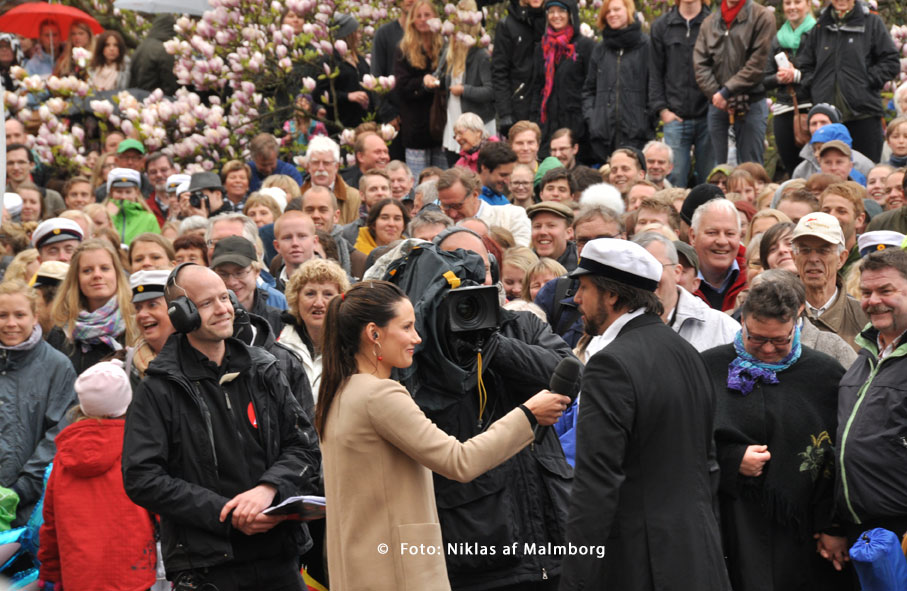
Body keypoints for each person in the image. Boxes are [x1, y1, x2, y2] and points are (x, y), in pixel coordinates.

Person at [317, 279, 568, 589]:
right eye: (407, 327)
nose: (418, 338)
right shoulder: (379, 396)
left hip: (367, 568)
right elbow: (459, 461)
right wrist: (528, 415)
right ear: (374, 334)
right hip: (395, 573)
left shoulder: (341, 391)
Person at [122, 263, 320, 590]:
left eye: (224, 298)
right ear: (183, 314)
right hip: (207, 569)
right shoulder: (158, 389)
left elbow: (304, 447)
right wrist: (227, 514)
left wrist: (267, 490)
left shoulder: (265, 370)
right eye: (206, 303)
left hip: (279, 559)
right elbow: (142, 478)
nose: (223, 309)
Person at [560, 238, 730, 590]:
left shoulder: (610, 364)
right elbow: (708, 467)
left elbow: (596, 484)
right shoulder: (685, 352)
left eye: (585, 287)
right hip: (698, 557)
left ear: (612, 296)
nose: (576, 298)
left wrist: (576, 579)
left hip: (641, 565)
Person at [701, 279, 849, 590]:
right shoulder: (706, 367)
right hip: (729, 522)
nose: (768, 349)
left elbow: (843, 457)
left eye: (780, 341)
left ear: (797, 321)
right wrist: (730, 459)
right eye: (756, 339)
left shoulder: (825, 375)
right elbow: (680, 441)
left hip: (803, 529)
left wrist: (834, 525)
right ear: (742, 319)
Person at [37, 360, 157, 591]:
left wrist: (51, 571)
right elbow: (160, 505)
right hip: (132, 573)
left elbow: (50, 523)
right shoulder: (137, 450)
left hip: (80, 577)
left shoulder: (63, 459)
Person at [836, 248, 907, 547]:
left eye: (885, 290)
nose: (873, 301)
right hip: (862, 530)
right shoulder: (864, 356)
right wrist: (836, 525)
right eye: (866, 292)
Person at [0, 280, 77, 528]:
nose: (11, 323)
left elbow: (60, 433)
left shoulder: (57, 366)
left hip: (32, 508)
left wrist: (21, 489)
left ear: (34, 317)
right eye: (2, 315)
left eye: (19, 315)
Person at [795, 0, 900, 163]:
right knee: (829, 174)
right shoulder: (820, 26)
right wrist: (815, 86)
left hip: (864, 114)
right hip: (827, 118)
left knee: (866, 171)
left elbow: (891, 61)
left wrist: (867, 82)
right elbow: (804, 64)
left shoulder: (871, 22)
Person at [693, 0, 776, 166]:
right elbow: (700, 63)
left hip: (750, 104)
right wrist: (716, 95)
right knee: (719, 169)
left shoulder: (763, 17)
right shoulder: (709, 22)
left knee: (750, 168)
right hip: (718, 107)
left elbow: (759, 63)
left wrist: (727, 91)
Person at [635, 231, 739, 350]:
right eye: (635, 269)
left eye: (655, 266)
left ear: (677, 272)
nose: (646, 276)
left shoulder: (722, 329)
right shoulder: (612, 324)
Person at [48, 239, 137, 374]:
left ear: (117, 273)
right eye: (87, 270)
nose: (97, 275)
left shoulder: (136, 323)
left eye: (105, 268)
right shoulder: (61, 331)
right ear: (76, 278)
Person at [649, 0, 713, 188]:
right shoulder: (661, 26)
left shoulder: (713, 23)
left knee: (708, 180)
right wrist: (662, 110)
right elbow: (654, 72)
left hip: (708, 116)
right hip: (675, 118)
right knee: (674, 180)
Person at [583, 0, 653, 163]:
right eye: (608, 11)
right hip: (603, 138)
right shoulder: (600, 49)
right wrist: (593, 119)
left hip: (637, 135)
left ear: (628, 11)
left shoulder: (646, 46)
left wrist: (647, 121)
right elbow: (589, 90)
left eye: (616, 9)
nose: (612, 14)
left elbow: (654, 87)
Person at [430, 0, 495, 164]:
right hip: (454, 128)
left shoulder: (481, 55)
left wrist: (465, 90)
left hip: (476, 131)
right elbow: (441, 78)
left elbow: (490, 90)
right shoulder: (450, 51)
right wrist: (430, 80)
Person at [791, 212, 867, 351]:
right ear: (794, 257)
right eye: (805, 250)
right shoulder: (777, 311)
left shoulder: (863, 318)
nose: (813, 259)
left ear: (842, 258)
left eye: (823, 250)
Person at [532, 0, 593, 160]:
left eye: (561, 11)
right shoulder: (542, 48)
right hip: (548, 126)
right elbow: (538, 86)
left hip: (576, 128)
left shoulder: (585, 46)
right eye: (551, 11)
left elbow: (591, 85)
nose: (556, 16)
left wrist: (585, 121)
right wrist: (536, 123)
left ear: (570, 14)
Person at [280, 258, 350, 397]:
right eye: (310, 293)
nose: (318, 303)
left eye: (328, 294)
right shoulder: (279, 346)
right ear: (296, 298)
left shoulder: (352, 348)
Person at [395, 0, 446, 177]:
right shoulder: (404, 50)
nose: (423, 20)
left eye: (427, 15)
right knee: (418, 182)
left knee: (441, 179)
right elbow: (401, 87)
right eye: (419, 16)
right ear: (412, 20)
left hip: (441, 125)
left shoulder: (445, 48)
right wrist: (422, 83)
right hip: (416, 126)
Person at [764, 0, 816, 175]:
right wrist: (779, 78)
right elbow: (764, 78)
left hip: (810, 109)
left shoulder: (818, 34)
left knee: (813, 166)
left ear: (808, 5)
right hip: (783, 109)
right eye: (787, 3)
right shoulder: (778, 38)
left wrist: (797, 76)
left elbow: (825, 74)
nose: (792, 7)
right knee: (791, 169)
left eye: (797, 2)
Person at [210, 236, 286, 335]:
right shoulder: (208, 318)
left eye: (239, 273)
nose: (232, 282)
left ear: (256, 272)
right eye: (223, 274)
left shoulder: (278, 317)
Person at [437, 167, 531, 246]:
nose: (453, 214)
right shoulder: (439, 228)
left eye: (458, 206)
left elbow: (522, 258)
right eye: (446, 206)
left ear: (474, 195)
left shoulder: (511, 216)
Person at [492, 0, 545, 137]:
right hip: (519, 107)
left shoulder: (552, 20)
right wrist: (505, 113)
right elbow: (499, 71)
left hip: (548, 106)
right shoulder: (507, 25)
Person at [315, 15, 374, 131]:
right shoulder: (330, 61)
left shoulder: (360, 60)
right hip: (342, 125)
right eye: (356, 33)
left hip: (364, 124)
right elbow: (318, 94)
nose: (359, 36)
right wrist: (347, 96)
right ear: (348, 35)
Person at [690, 198, 747, 312]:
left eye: (730, 234)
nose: (722, 241)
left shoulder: (753, 280)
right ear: (693, 236)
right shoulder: (677, 281)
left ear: (740, 237)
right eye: (712, 233)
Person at [301, 136, 362, 225]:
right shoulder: (298, 196)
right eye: (315, 163)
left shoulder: (354, 198)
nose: (321, 168)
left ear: (336, 166)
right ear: (308, 166)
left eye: (326, 163)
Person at [129, 14, 178, 95]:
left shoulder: (141, 46)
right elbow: (169, 83)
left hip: (138, 95)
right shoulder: (165, 49)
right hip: (156, 98)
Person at [272, 211, 319, 291]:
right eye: (287, 237)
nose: (295, 243)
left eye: (302, 236)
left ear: (314, 242)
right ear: (277, 246)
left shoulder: (336, 282)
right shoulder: (270, 290)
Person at [526, 201, 577, 271]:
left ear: (569, 233)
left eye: (551, 226)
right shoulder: (522, 265)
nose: (542, 232)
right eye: (537, 226)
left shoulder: (581, 264)